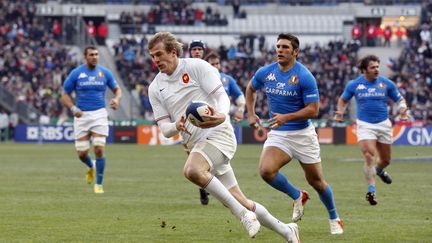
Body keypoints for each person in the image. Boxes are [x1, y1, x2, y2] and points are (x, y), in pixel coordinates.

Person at [147, 31, 300, 242]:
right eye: (152, 56)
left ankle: (243, 216)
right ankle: (287, 230)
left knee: (192, 170)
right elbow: (165, 129)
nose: (155, 60)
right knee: (240, 199)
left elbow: (222, 97)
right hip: (197, 146)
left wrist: (220, 115)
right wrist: (177, 125)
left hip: (219, 134)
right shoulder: (155, 87)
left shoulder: (197, 67)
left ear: (173, 52)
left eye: (158, 54)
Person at [245, 33, 343, 235]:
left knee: (317, 181)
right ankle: (297, 195)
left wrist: (286, 117)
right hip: (280, 134)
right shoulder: (266, 72)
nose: (280, 50)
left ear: (295, 52)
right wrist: (251, 114)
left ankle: (334, 217)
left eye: (285, 47)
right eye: (278, 46)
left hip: (303, 135)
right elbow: (250, 88)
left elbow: (313, 110)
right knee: (266, 171)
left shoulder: (305, 76)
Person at [334, 54, 409, 206]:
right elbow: (343, 99)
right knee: (369, 156)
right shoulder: (354, 85)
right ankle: (371, 191)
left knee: (386, 160)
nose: (376, 70)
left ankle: (380, 171)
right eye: (372, 67)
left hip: (383, 124)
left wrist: (402, 109)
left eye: (377, 67)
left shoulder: (386, 83)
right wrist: (340, 112)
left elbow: (400, 99)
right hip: (365, 125)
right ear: (364, 70)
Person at [61, 46, 122, 194]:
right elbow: (64, 94)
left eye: (96, 54)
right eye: (91, 55)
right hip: (81, 115)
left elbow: (117, 89)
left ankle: (99, 185)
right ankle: (91, 166)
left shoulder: (104, 73)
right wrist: (73, 108)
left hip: (99, 114)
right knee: (82, 153)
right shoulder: (76, 73)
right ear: (85, 57)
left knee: (99, 148)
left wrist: (116, 99)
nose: (95, 57)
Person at [205, 52, 245, 123]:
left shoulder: (227, 79)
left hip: (223, 120)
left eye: (217, 63)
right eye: (212, 64)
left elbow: (240, 96)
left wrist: (240, 110)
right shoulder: (201, 80)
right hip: (206, 119)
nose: (215, 66)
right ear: (207, 65)